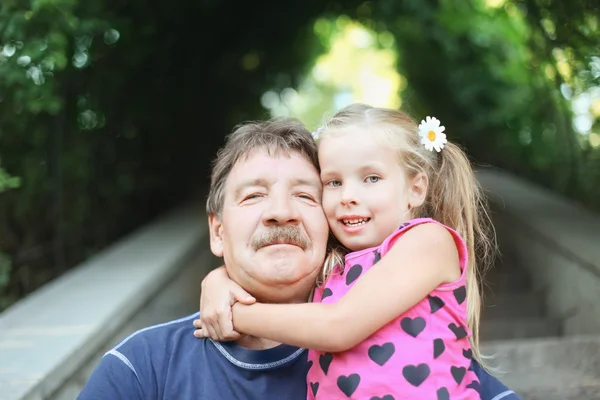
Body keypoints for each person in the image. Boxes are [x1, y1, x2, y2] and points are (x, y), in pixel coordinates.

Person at [78, 115, 519, 400]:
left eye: (306, 194)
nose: (281, 212)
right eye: (253, 196)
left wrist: (234, 310)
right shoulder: (144, 368)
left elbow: (341, 325)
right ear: (218, 231)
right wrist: (219, 285)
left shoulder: (406, 336)